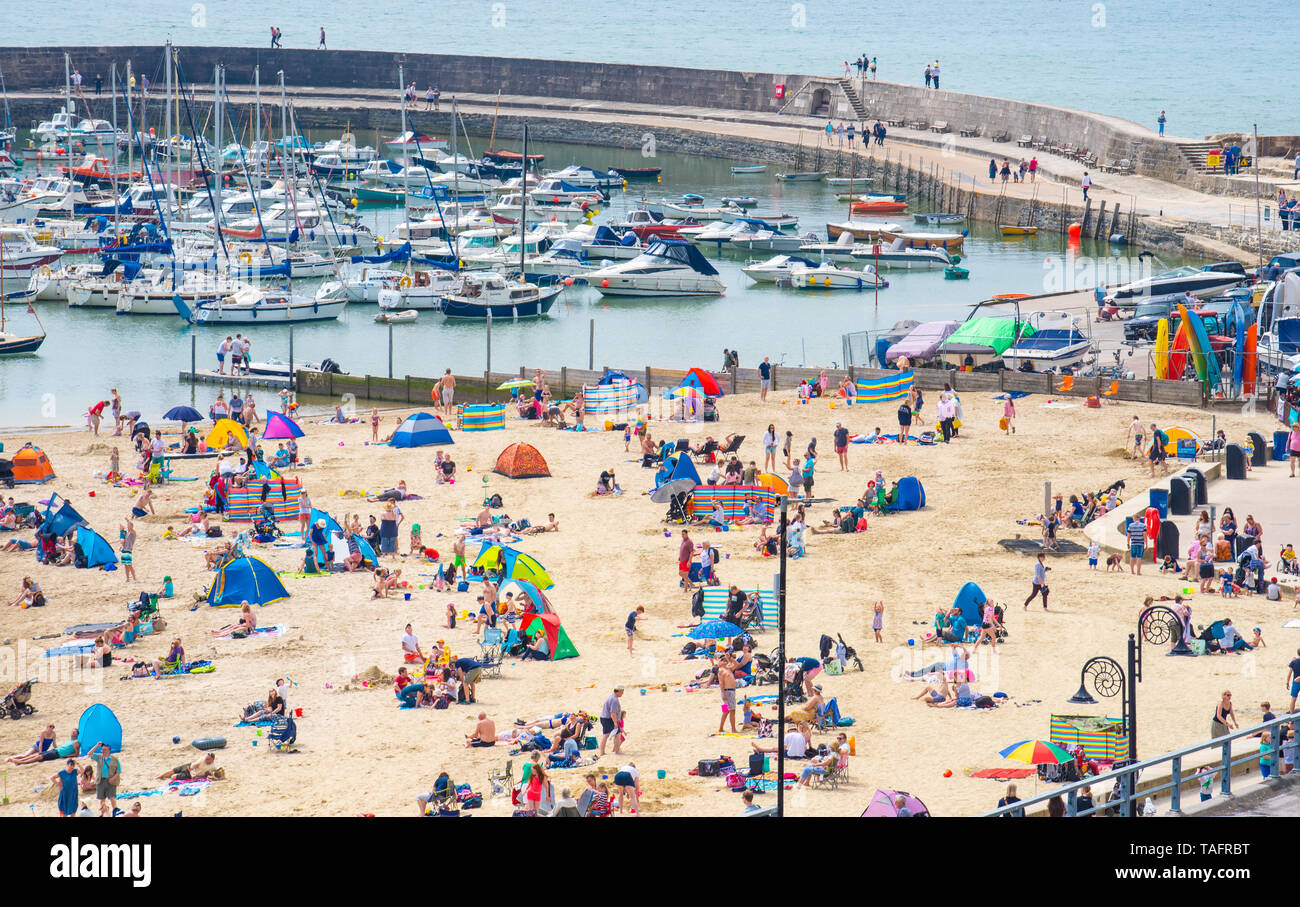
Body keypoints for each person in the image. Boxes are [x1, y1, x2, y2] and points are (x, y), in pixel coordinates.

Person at [94, 743, 120, 817]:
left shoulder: (115, 759)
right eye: (102, 749)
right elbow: (89, 754)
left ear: (109, 750)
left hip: (110, 781)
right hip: (101, 780)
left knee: (112, 798)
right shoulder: (99, 757)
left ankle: (115, 811)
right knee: (102, 799)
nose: (102, 751)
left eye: (104, 749)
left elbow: (118, 771)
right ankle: (103, 813)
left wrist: (113, 779)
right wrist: (97, 745)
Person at [599, 685, 624, 757]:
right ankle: (603, 752)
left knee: (616, 734)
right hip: (608, 719)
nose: (622, 694)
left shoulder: (611, 696)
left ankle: (616, 750)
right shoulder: (614, 700)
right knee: (607, 735)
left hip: (605, 718)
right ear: (618, 692)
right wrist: (615, 722)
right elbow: (612, 713)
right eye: (622, 692)